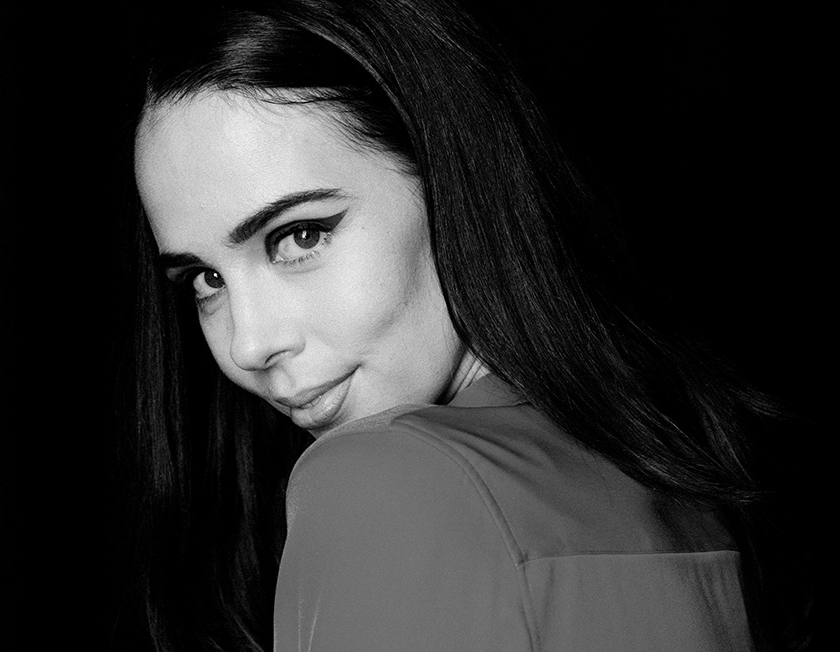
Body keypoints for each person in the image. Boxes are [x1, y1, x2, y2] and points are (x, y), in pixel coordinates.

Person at [115, 0, 811, 650]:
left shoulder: (386, 485)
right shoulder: (679, 494)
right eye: (205, 279)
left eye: (300, 236)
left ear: (451, 176)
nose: (249, 343)